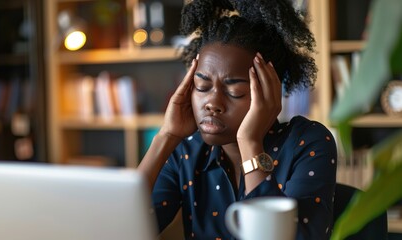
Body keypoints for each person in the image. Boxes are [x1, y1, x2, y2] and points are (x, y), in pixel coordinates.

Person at [138, 0, 337, 239]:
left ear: (270, 91)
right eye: (202, 86)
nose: (212, 102)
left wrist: (250, 142)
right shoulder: (187, 151)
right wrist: (166, 137)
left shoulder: (307, 142)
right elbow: (121, 230)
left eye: (235, 92)